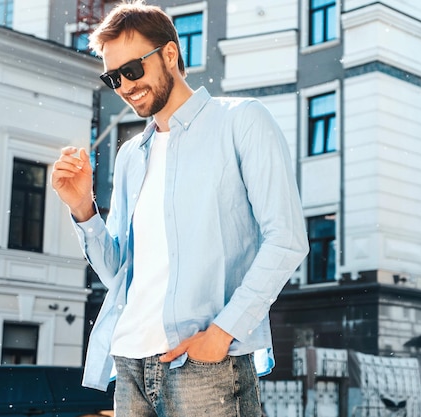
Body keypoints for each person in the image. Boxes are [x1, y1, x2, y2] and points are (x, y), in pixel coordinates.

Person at [50, 1, 309, 416]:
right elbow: (119, 273)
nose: (125, 86)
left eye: (132, 70)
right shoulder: (131, 154)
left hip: (204, 364)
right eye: (113, 77)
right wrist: (83, 209)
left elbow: (287, 238)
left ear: (169, 54)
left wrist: (222, 333)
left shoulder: (241, 121)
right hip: (129, 365)